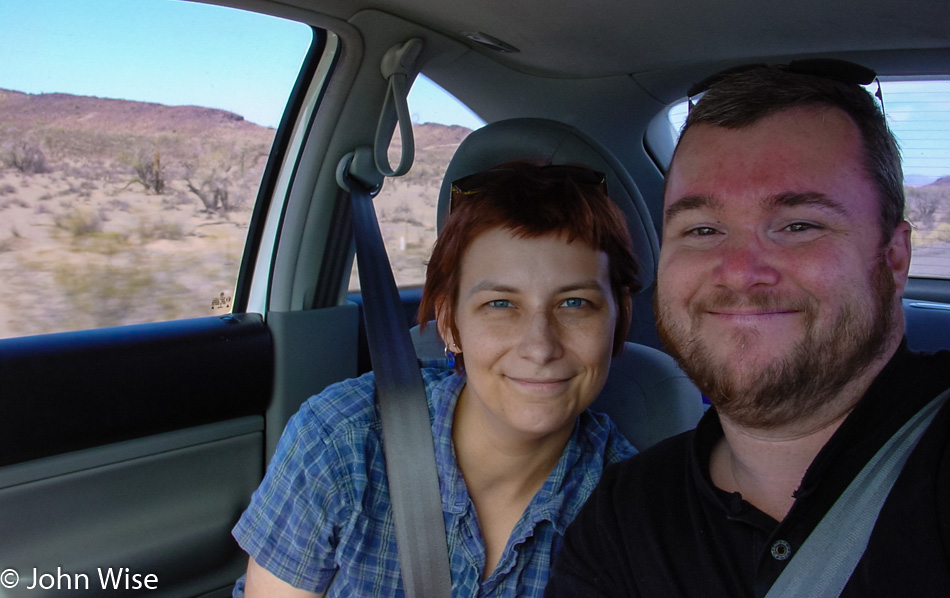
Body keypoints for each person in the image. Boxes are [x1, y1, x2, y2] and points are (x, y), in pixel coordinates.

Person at [545, 61, 950, 597]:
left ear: (895, 259)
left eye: (799, 225)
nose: (738, 271)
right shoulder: (623, 517)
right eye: (703, 229)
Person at [231, 161, 641, 597]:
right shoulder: (341, 439)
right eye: (501, 304)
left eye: (575, 303)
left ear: (619, 318)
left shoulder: (636, 511)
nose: (539, 347)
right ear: (449, 323)